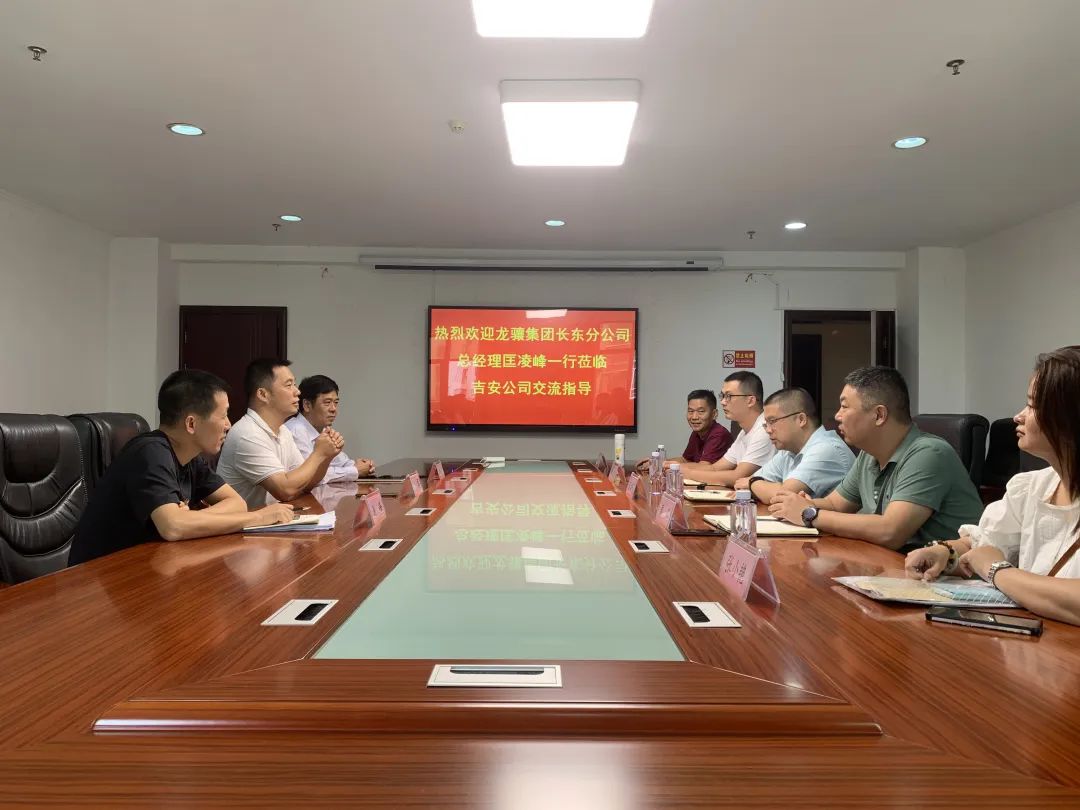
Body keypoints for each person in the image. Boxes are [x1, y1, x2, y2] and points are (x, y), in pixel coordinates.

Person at [904, 347, 1080, 626]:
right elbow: (986, 541)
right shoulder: (1032, 487)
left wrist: (997, 570)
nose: (1018, 416)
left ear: (1070, 417)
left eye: (1032, 406)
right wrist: (945, 553)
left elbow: (990, 560)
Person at [68, 370, 295, 565]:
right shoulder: (150, 453)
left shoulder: (190, 457)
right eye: (224, 415)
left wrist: (192, 518)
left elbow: (237, 503)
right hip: (100, 578)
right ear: (191, 423)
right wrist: (258, 518)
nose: (229, 425)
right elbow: (173, 527)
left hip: (146, 565)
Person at [770, 366, 983, 551]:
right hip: (893, 566)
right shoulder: (868, 454)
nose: (837, 416)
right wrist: (797, 505)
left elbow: (890, 531)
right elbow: (835, 504)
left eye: (845, 406)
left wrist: (810, 514)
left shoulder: (929, 453)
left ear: (879, 415)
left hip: (946, 578)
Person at [217, 359, 344, 509]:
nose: (297, 391)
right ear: (263, 394)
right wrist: (318, 453)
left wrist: (327, 456)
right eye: (289, 385)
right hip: (247, 522)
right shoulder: (247, 434)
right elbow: (285, 490)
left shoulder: (283, 431)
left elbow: (306, 483)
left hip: (274, 518)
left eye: (294, 384)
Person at [736, 387, 853, 501]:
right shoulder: (788, 451)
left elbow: (782, 495)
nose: (768, 430)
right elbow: (743, 486)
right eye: (766, 424)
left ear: (801, 419)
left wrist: (753, 483)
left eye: (772, 421)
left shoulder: (826, 448)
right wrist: (757, 484)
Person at [678, 371, 774, 486]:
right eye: (722, 396)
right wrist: (676, 467)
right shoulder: (744, 432)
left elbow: (737, 477)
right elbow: (715, 468)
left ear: (750, 400)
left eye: (729, 396)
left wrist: (688, 473)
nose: (723, 402)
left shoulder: (764, 430)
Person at [285, 375, 376, 482]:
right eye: (327, 403)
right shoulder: (295, 430)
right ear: (307, 405)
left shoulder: (323, 430)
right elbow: (310, 476)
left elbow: (341, 461)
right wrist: (355, 470)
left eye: (336, 403)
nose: (333, 409)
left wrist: (363, 466)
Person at [636, 389, 732, 470]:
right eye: (690, 411)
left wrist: (663, 465)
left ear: (714, 414)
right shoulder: (696, 433)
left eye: (701, 411)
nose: (694, 417)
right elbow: (685, 460)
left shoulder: (719, 434)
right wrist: (657, 462)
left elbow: (704, 466)